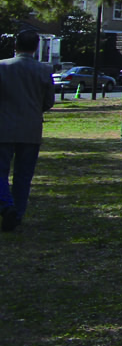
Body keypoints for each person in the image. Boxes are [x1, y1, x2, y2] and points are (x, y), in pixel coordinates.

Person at [0, 29, 57, 231]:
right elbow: (49, 102)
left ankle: (6, 205)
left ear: (15, 45)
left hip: (4, 127)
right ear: (35, 47)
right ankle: (18, 213)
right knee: (24, 176)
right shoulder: (44, 70)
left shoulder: (2, 67)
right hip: (31, 129)